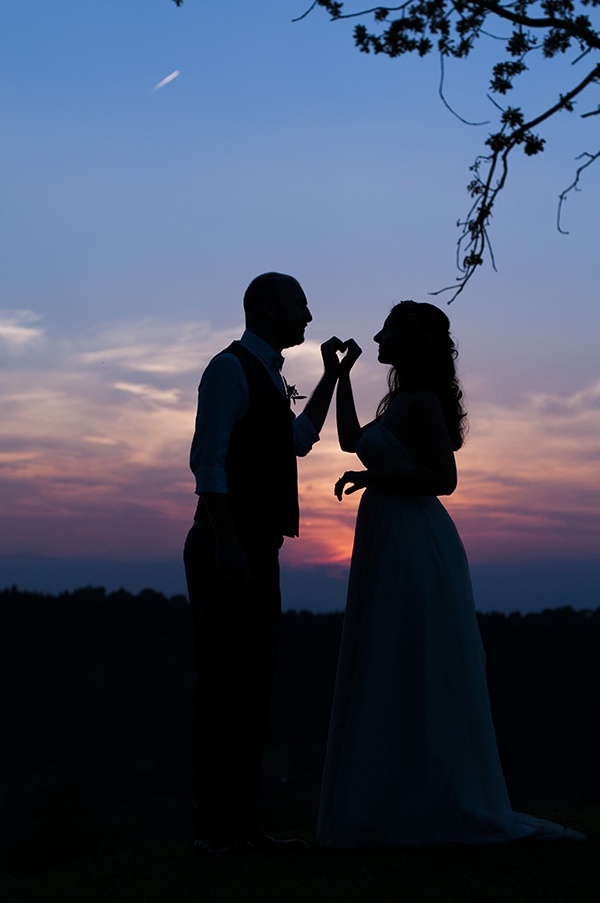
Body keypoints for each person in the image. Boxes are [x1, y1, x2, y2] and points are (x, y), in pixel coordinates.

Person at [317, 300, 584, 847]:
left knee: (417, 656)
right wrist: (340, 377)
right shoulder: (398, 404)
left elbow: (444, 479)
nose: (376, 335)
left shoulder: (424, 404)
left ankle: (433, 794)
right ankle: (391, 795)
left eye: (387, 329)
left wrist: (375, 482)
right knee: (387, 656)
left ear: (409, 342)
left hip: (415, 543)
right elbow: (350, 441)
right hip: (387, 537)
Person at [184, 272, 343, 855]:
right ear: (268, 307)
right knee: (223, 685)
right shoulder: (228, 370)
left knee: (252, 687)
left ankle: (241, 824)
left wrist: (331, 376)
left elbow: (298, 439)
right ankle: (210, 828)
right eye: (299, 303)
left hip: (257, 548)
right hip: (230, 547)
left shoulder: (272, 376)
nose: (307, 314)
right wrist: (226, 545)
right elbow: (210, 463)